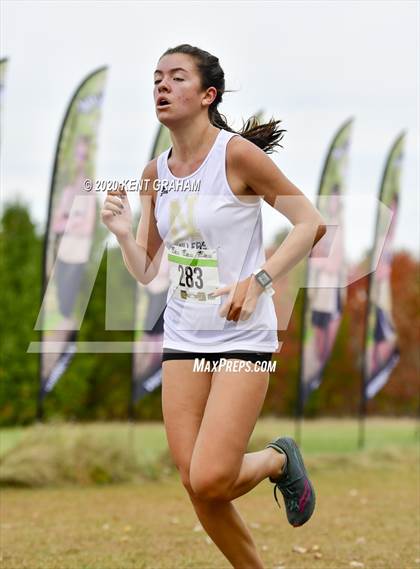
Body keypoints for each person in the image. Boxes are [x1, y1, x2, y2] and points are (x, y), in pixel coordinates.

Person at [101, 44, 326, 569]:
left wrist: (261, 277)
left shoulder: (237, 156)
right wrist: (120, 234)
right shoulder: (154, 173)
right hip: (184, 335)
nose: (161, 86)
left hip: (243, 334)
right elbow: (150, 272)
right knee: (196, 485)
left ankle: (277, 458)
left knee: (211, 477)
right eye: (157, 78)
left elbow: (310, 222)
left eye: (176, 78)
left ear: (207, 95)